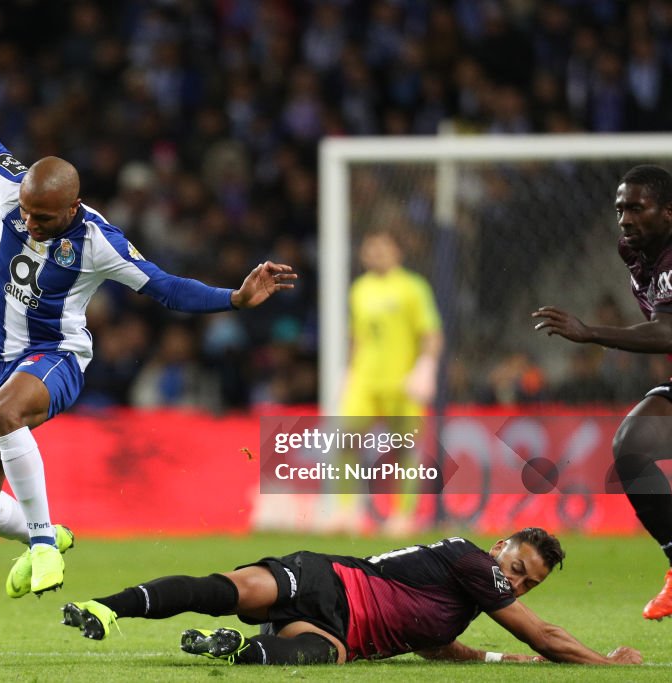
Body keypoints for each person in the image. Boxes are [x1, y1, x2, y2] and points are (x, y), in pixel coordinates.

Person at [0, 18, 297, 599]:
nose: (28, 223)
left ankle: (44, 544)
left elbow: (165, 286)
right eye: (25, 213)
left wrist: (236, 298)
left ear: (72, 207)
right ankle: (52, 534)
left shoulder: (100, 242)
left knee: (4, 416)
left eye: (42, 218)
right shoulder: (11, 189)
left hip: (56, 358)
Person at [61, 528, 642, 666]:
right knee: (225, 589)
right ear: (499, 548)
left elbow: (434, 645)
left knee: (313, 657)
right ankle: (108, 607)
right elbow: (540, 634)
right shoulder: (469, 559)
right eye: (516, 569)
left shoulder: (465, 599)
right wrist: (607, 664)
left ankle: (230, 648)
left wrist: (496, 659)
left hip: (343, 635)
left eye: (527, 583)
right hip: (327, 581)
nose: (514, 584)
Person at [533, 164, 672, 620]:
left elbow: (667, 331)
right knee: (632, 444)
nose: (625, 219)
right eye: (619, 209)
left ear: (669, 212)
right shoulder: (634, 252)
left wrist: (590, 332)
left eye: (637, 208)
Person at [329, 230, 443, 534]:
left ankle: (402, 516)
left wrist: (426, 366)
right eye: (371, 247)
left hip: (402, 381)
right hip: (365, 379)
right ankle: (346, 511)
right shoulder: (359, 289)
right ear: (363, 254)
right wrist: (348, 371)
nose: (377, 253)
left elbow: (430, 332)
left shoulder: (412, 287)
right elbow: (357, 336)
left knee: (404, 447)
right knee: (346, 440)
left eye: (383, 247)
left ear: (397, 252)